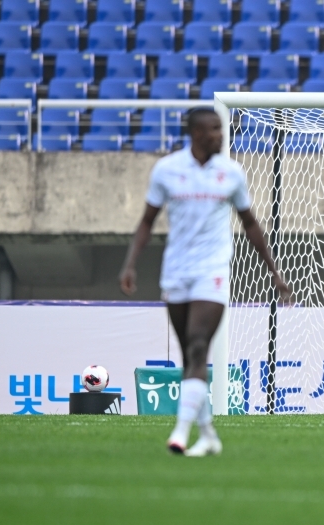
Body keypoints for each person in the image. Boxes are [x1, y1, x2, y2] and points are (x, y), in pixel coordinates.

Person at [120, 108, 290, 456]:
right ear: (195, 133)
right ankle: (208, 434)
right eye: (213, 129)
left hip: (212, 271)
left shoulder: (231, 172)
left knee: (199, 345)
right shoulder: (167, 170)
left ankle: (180, 433)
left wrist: (273, 270)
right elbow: (147, 220)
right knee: (189, 355)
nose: (220, 135)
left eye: (220, 128)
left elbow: (250, 223)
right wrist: (130, 264)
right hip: (176, 271)